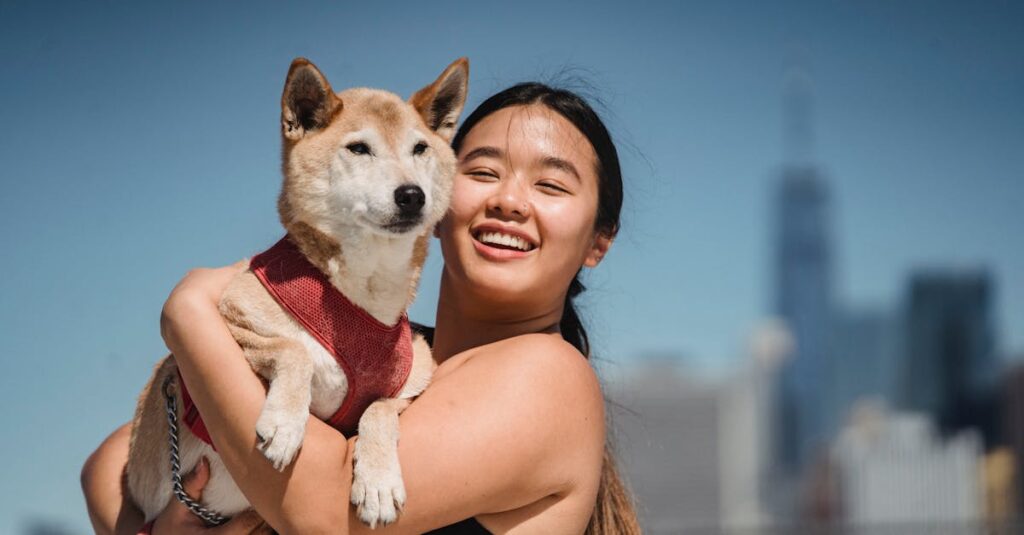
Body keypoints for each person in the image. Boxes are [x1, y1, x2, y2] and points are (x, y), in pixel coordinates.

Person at [81, 82, 640, 534]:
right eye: (483, 172)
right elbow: (110, 463)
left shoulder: (548, 375)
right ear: (437, 199)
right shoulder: (386, 353)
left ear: (599, 242)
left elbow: (327, 511)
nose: (509, 200)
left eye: (551, 186)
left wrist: (191, 315)